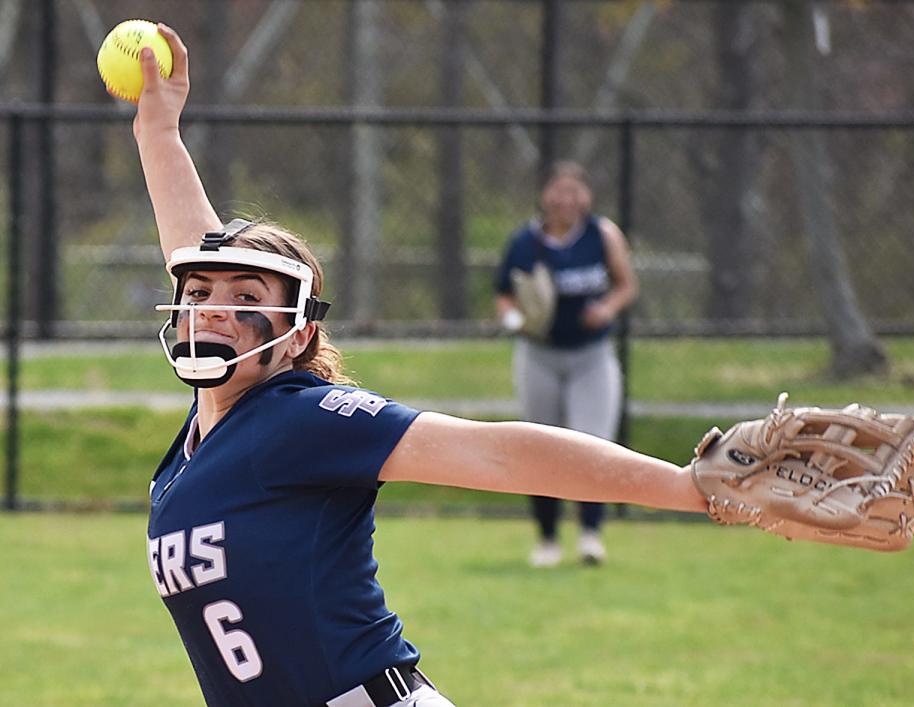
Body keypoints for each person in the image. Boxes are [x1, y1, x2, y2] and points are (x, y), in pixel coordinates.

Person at [134, 25, 703, 707]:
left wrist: (689, 487)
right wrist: (158, 130)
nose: (213, 310)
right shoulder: (198, 445)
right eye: (197, 295)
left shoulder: (300, 417)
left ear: (296, 335)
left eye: (247, 298)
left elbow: (498, 454)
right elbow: (193, 247)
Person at [494, 162, 638, 567]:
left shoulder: (602, 235)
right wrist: (515, 320)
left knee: (593, 444)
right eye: (558, 190)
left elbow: (626, 284)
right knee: (541, 445)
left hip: (591, 355)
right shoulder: (525, 241)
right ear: (545, 196)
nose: (565, 199)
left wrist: (607, 307)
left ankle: (591, 534)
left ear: (586, 197)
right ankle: (547, 538)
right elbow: (503, 294)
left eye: (574, 191)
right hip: (540, 355)